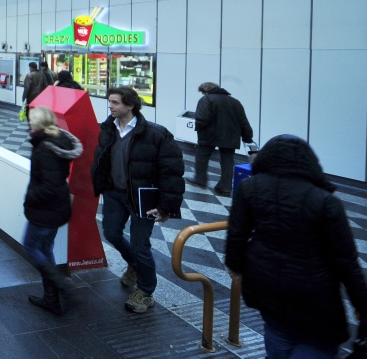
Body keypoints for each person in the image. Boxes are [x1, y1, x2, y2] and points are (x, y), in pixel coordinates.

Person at [226, 135, 367, 359]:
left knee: (277, 336)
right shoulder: (325, 201)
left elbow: (236, 235)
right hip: (315, 299)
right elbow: (345, 261)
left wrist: (234, 266)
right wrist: (361, 304)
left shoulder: (249, 188)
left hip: (266, 288)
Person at [91, 87, 185, 313]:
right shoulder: (108, 129)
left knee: (140, 244)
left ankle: (146, 291)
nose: (110, 106)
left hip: (142, 199)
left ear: (130, 105)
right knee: (111, 233)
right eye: (110, 102)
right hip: (114, 193)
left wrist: (166, 207)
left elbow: (171, 172)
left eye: (115, 103)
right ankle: (134, 264)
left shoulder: (155, 134)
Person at [24, 106, 83, 315]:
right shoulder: (58, 140)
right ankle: (51, 299)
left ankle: (62, 286)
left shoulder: (45, 148)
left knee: (30, 246)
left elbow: (49, 185)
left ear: (38, 123)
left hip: (45, 209)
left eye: (31, 119)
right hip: (58, 207)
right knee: (46, 248)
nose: (29, 122)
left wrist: (30, 197)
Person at [192, 82, 254, 197]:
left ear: (206, 91)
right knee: (227, 161)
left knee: (202, 156)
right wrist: (248, 136)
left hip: (209, 135)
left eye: (203, 92)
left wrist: (199, 130)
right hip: (230, 136)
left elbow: (202, 119)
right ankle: (225, 187)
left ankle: (200, 180)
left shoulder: (206, 100)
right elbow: (243, 122)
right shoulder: (235, 102)